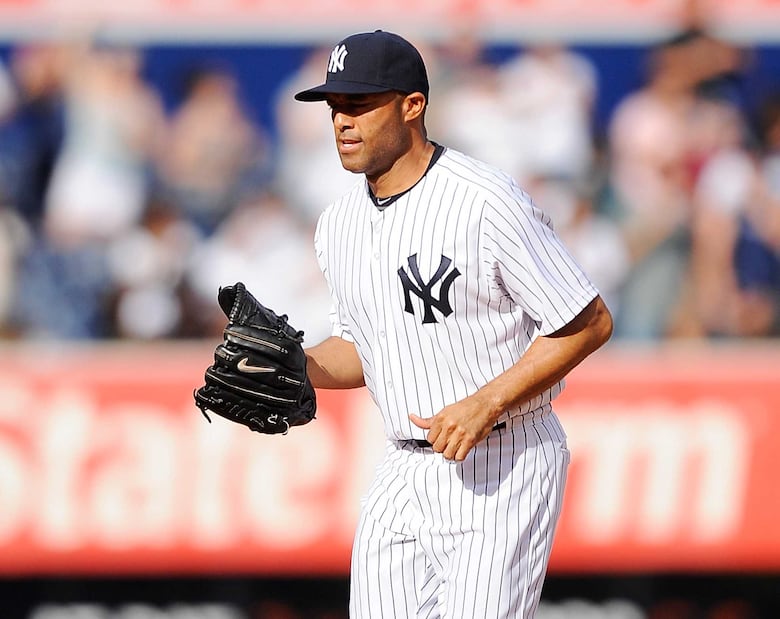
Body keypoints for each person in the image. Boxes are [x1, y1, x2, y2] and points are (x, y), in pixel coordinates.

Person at [294, 30, 613, 618]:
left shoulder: (483, 200)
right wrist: (297, 366)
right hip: (401, 465)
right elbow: (365, 350)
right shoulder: (337, 224)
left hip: (504, 457)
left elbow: (588, 321)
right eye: (336, 106)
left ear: (412, 105)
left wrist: (486, 403)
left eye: (361, 105)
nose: (342, 121)